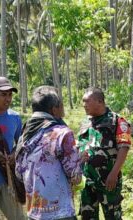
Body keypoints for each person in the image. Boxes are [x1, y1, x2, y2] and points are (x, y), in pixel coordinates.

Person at [15, 86, 82, 220]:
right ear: (54, 109)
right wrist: (80, 159)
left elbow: (19, 172)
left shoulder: (25, 135)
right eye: (60, 105)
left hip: (34, 211)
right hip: (61, 212)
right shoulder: (62, 133)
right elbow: (75, 176)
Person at [77, 87, 131, 220]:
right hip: (87, 181)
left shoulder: (117, 121)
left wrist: (114, 173)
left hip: (108, 180)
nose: (84, 105)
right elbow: (81, 147)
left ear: (99, 101)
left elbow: (124, 148)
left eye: (87, 101)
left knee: (113, 215)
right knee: (87, 216)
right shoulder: (86, 122)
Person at [0, 76, 24, 219]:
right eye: (3, 94)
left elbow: (21, 143)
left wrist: (14, 154)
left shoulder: (15, 117)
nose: (8, 99)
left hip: (8, 180)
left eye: (10, 94)